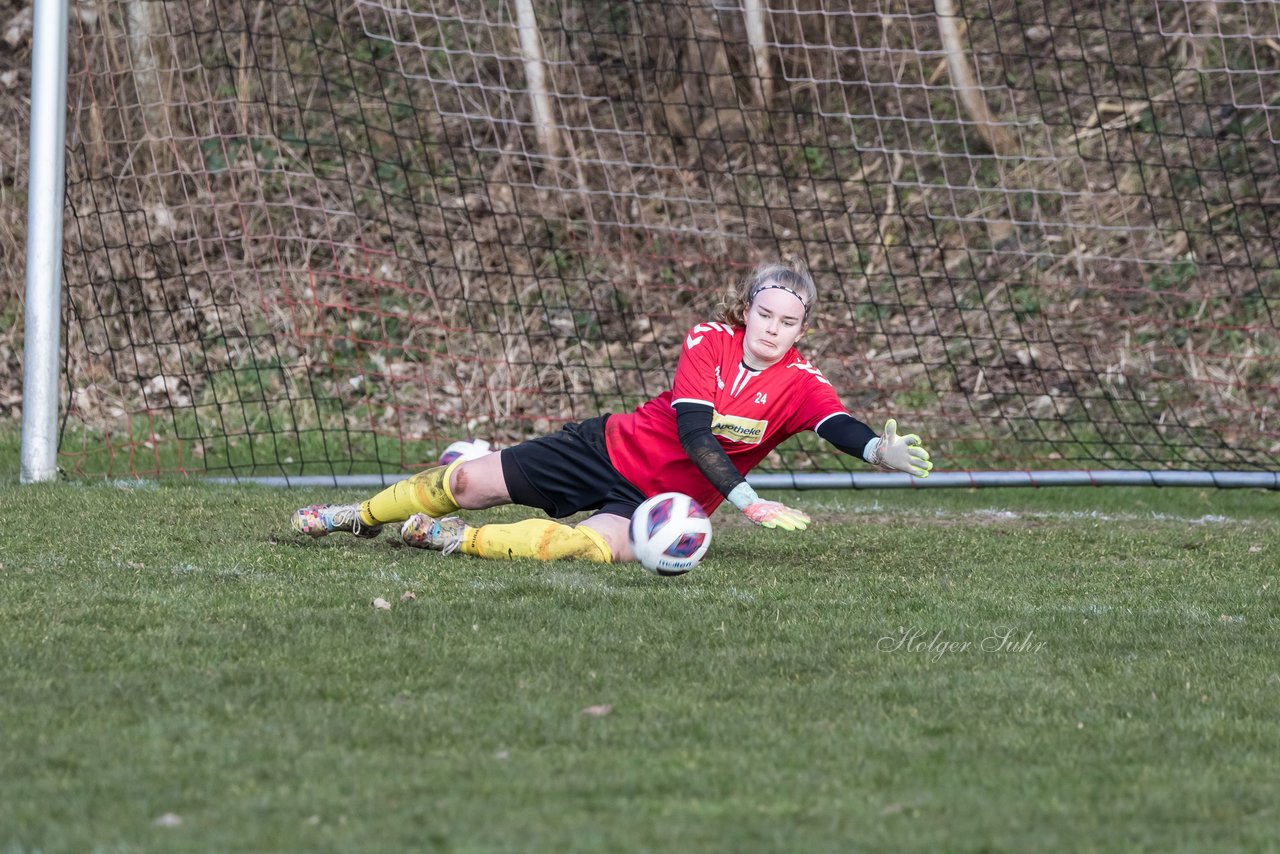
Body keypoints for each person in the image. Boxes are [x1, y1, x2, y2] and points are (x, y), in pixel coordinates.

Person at [292, 261, 933, 564]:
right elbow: (694, 432)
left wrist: (879, 450)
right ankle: (358, 516)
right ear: (747, 309)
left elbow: (834, 423)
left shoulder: (801, 383)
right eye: (765, 314)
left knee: (583, 550)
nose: (772, 328)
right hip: (606, 449)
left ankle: (449, 540)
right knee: (465, 482)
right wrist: (748, 501)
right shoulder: (709, 340)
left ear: (801, 329)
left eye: (788, 321)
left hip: (656, 507)